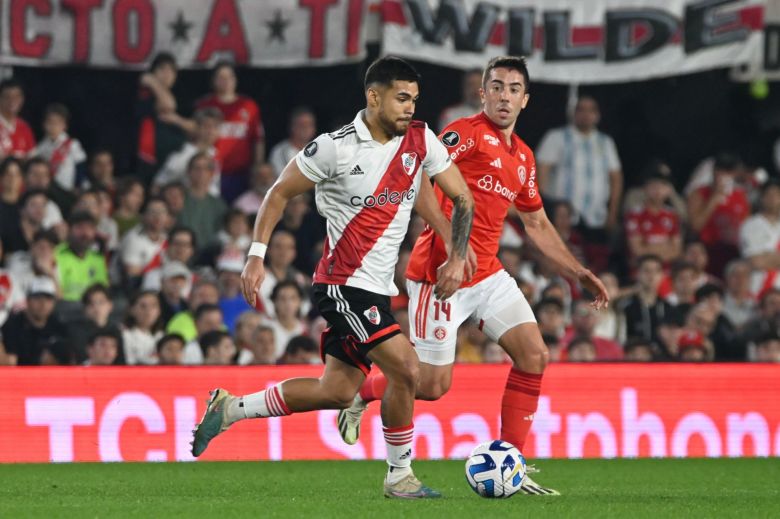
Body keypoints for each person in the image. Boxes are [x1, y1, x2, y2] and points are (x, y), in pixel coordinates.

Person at [191, 56, 474, 499]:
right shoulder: (334, 147)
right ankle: (400, 477)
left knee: (337, 392)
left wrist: (455, 249)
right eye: (402, 98)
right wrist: (256, 255)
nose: (409, 109)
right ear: (373, 97)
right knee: (407, 369)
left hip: (379, 290)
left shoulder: (419, 140)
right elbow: (278, 192)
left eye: (415, 100)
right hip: (344, 285)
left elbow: (450, 195)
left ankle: (230, 408)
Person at [339, 56, 608, 496]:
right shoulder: (465, 133)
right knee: (430, 385)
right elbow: (417, 171)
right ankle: (363, 391)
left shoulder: (522, 157)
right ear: (483, 93)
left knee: (534, 355)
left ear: (525, 99)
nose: (504, 96)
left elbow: (536, 224)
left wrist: (577, 271)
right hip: (439, 273)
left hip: (486, 272)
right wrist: (454, 249)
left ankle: (512, 464)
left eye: (513, 88)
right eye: (496, 86)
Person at [536, 95, 623, 272]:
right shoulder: (557, 137)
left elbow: (615, 177)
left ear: (597, 115)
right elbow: (541, 171)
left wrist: (613, 212)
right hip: (565, 218)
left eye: (591, 110)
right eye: (580, 109)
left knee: (594, 263)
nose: (585, 114)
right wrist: (543, 208)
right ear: (573, 113)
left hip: (596, 217)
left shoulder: (605, 142)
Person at [195, 61, 265, 201]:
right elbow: (196, 137)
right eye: (221, 77)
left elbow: (258, 140)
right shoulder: (204, 105)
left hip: (241, 173)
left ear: (235, 80)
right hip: (211, 172)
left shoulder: (249, 106)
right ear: (214, 81)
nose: (226, 81)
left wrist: (257, 168)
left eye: (230, 77)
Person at [687, 153, 750, 276]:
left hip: (734, 251)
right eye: (721, 171)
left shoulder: (740, 195)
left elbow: (746, 225)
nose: (725, 175)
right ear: (714, 172)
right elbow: (695, 226)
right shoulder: (699, 194)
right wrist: (713, 199)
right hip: (709, 250)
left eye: (729, 171)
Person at [135, 52, 187, 185]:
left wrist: (176, 120)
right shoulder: (146, 92)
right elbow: (167, 105)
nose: (167, 74)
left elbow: (195, 127)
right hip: (146, 160)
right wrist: (151, 81)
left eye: (171, 70)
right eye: (162, 69)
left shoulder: (182, 96)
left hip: (172, 163)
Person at [0, 276, 69, 365]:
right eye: (37, 297)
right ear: (27, 300)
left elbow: (69, 361)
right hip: (21, 376)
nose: (43, 303)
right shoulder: (13, 324)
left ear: (54, 302)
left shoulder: (58, 324)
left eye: (48, 298)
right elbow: (10, 364)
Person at [154, 107, 223, 195]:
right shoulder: (181, 153)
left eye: (215, 127)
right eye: (206, 126)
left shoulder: (215, 153)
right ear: (197, 128)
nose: (211, 131)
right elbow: (158, 186)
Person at [624, 170, 682, 268]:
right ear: (645, 188)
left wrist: (649, 247)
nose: (658, 191)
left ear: (668, 190)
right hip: (640, 271)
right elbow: (637, 250)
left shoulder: (672, 215)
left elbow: (676, 251)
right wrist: (664, 247)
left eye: (662, 186)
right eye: (653, 186)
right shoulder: (634, 215)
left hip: (667, 272)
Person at [176, 152, 227, 250]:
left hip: (207, 257)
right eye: (197, 168)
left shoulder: (219, 205)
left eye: (206, 168)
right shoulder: (178, 199)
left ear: (212, 173)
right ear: (188, 171)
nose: (201, 172)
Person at [54, 211, 108, 302]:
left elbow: (103, 291)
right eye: (79, 227)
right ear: (69, 230)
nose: (85, 233)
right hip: (64, 308)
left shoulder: (98, 259)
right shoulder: (56, 254)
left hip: (91, 309)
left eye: (90, 228)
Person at [31, 103, 86, 191]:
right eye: (50, 122)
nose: (53, 126)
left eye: (57, 123)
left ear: (65, 125)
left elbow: (80, 167)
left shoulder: (72, 144)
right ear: (44, 124)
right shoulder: (40, 148)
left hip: (68, 190)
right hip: (48, 190)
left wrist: (78, 186)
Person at [119, 197, 171, 286]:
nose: (157, 216)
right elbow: (132, 277)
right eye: (153, 212)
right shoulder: (133, 239)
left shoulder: (167, 238)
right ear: (143, 216)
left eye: (162, 212)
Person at [268, 107, 317, 177]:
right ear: (292, 127)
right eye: (302, 125)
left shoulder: (319, 150)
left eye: (309, 125)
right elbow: (281, 178)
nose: (306, 129)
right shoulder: (280, 151)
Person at [122, 290, 164, 365]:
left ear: (159, 311)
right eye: (143, 306)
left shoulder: (161, 336)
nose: (148, 311)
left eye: (153, 306)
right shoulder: (125, 335)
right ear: (132, 310)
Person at [0, 78, 35, 159]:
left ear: (22, 99)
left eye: (16, 96)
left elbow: (32, 158)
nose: (12, 101)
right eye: (7, 97)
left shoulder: (24, 127)